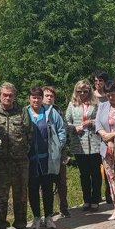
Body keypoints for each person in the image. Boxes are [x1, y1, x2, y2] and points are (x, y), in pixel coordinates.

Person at [24, 86, 66, 229]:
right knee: (33, 190)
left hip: (47, 159)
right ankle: (36, 218)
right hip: (30, 160)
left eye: (39, 97)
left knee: (47, 189)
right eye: (33, 97)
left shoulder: (50, 112)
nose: (36, 100)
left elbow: (61, 129)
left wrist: (58, 147)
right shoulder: (25, 113)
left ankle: (48, 217)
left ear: (42, 99)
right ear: (29, 98)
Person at [0, 82, 30, 229]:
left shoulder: (22, 112)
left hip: (20, 161)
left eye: (10, 95)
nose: (7, 98)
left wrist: (23, 151)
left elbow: (29, 133)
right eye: (5, 95)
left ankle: (20, 223)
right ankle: (1, 225)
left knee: (21, 194)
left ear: (14, 96)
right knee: (0, 195)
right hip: (0, 162)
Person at [65, 80, 101, 211]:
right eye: (79, 91)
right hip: (79, 144)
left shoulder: (95, 103)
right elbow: (66, 121)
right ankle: (86, 199)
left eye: (85, 91)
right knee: (84, 174)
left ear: (89, 91)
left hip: (94, 143)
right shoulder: (72, 104)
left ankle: (96, 199)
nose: (82, 94)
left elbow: (101, 120)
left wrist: (92, 122)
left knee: (95, 173)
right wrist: (75, 128)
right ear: (76, 91)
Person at [96, 80, 115, 220]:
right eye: (108, 95)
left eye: (113, 95)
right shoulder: (102, 106)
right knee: (111, 179)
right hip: (105, 148)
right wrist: (106, 138)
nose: (110, 98)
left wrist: (112, 136)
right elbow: (97, 124)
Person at [43, 86, 70, 218]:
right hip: (42, 154)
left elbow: (63, 130)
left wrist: (58, 147)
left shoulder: (58, 111)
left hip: (59, 152)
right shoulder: (37, 110)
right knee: (45, 183)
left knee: (61, 181)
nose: (49, 98)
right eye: (46, 95)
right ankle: (47, 210)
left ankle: (63, 208)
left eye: (51, 96)